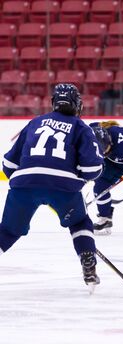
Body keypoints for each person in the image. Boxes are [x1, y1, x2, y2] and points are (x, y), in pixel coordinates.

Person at [0, 84, 104, 288]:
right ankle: (87, 259)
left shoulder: (35, 122)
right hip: (63, 187)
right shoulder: (81, 127)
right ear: (77, 105)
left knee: (9, 231)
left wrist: (31, 181)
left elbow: (9, 165)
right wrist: (72, 180)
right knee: (79, 222)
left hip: (24, 183)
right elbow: (92, 169)